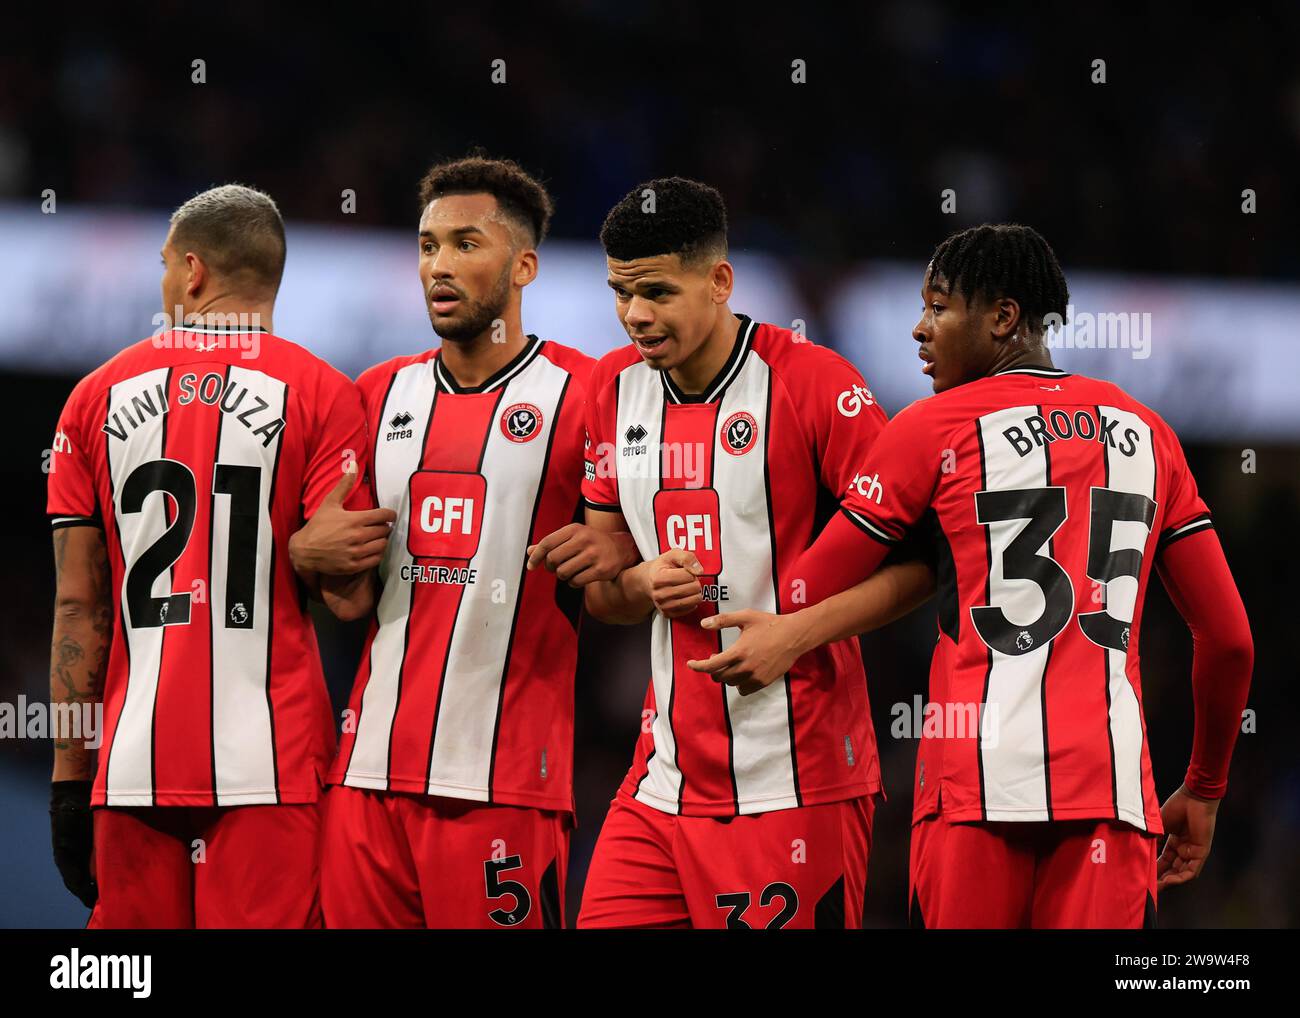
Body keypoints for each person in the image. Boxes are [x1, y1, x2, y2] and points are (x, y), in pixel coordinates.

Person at [691, 223, 1254, 928]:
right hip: (1112, 800)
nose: (920, 330)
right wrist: (1203, 787)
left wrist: (697, 581)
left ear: (1003, 318)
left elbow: (801, 588)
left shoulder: (934, 426)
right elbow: (1230, 639)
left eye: (938, 307)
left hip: (973, 795)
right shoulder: (1149, 432)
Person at [558, 177, 932, 928]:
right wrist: (637, 581)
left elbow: (922, 564)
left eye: (657, 292)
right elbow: (603, 590)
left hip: (796, 783)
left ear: (719, 281)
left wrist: (795, 634)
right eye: (620, 292)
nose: (636, 315)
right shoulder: (609, 390)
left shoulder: (813, 384)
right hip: (660, 784)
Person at [290, 155, 638, 928]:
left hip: (504, 785)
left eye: (465, 244)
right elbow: (345, 597)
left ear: (523, 265)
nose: (439, 266)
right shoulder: (374, 395)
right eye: (427, 246)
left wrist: (621, 556)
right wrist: (304, 557)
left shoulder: (590, 395)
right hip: (365, 780)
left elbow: (622, 576)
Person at [47, 184, 373, 927]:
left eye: (165, 265)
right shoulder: (325, 394)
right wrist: (294, 553)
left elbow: (78, 604)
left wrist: (70, 782)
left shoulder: (92, 399)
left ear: (192, 272)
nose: (163, 282)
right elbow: (351, 597)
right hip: (275, 765)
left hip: (131, 771)